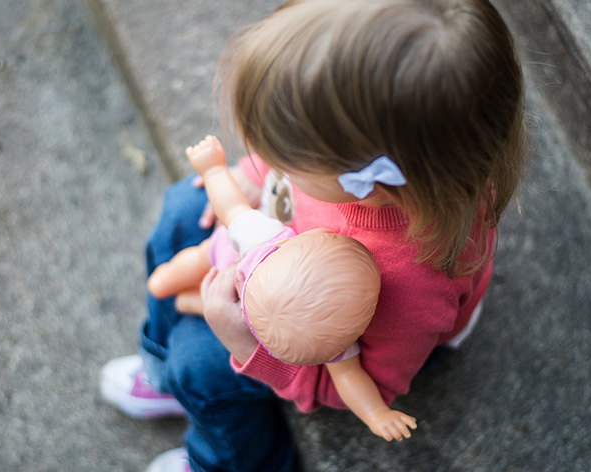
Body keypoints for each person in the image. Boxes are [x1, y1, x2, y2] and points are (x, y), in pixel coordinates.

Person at [100, 0, 526, 470]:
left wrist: (248, 345)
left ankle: (229, 461)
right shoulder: (388, 163)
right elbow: (304, 145)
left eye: (279, 149)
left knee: (198, 365)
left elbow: (351, 383)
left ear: (364, 179)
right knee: (185, 206)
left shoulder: (412, 283)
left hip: (327, 329)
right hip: (288, 253)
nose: (261, 151)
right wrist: (255, 172)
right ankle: (160, 369)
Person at [147, 134, 417, 441]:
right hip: (247, 316)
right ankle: (185, 303)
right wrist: (373, 413)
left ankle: (168, 290)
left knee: (194, 264)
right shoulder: (331, 338)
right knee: (185, 223)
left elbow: (230, 205)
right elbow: (349, 375)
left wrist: (212, 170)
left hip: (226, 257)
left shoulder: (266, 238)